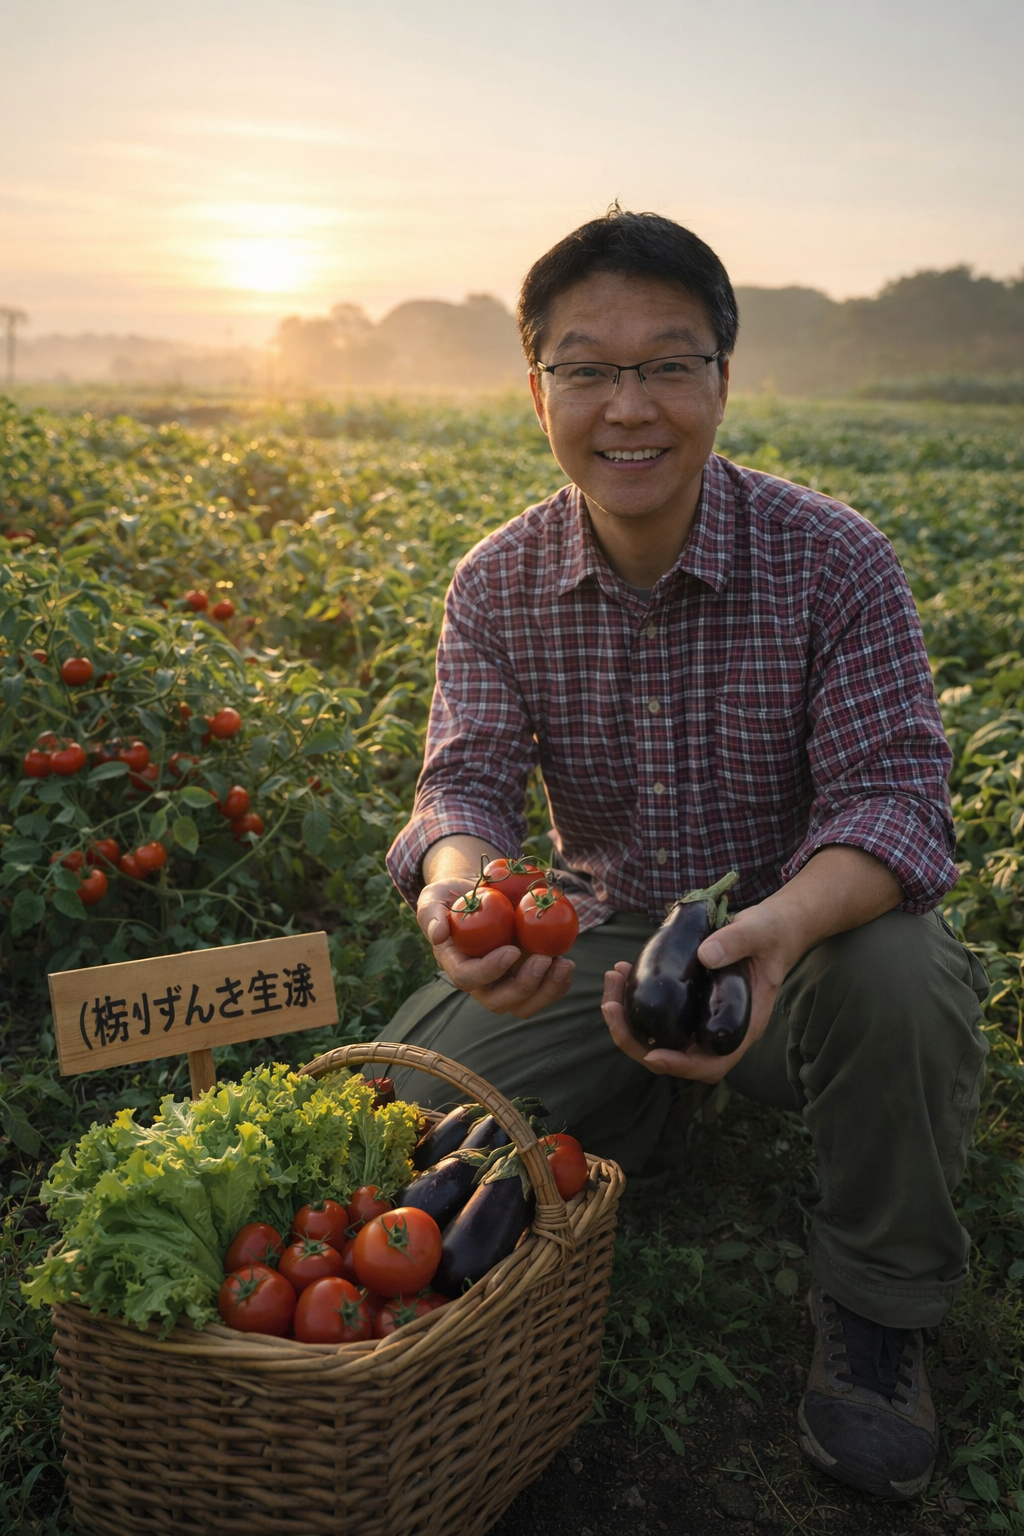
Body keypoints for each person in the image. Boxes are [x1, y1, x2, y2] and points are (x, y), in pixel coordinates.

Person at [378, 207, 989, 1501]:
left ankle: (876, 1306)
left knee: (907, 974)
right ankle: (649, 1101)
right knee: (402, 1115)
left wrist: (776, 932)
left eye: (667, 362)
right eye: (588, 367)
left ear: (723, 376)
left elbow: (895, 808)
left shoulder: (835, 561)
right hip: (595, 943)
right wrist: (461, 890)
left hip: (795, 951)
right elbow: (463, 787)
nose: (629, 406)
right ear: (535, 386)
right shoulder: (494, 584)